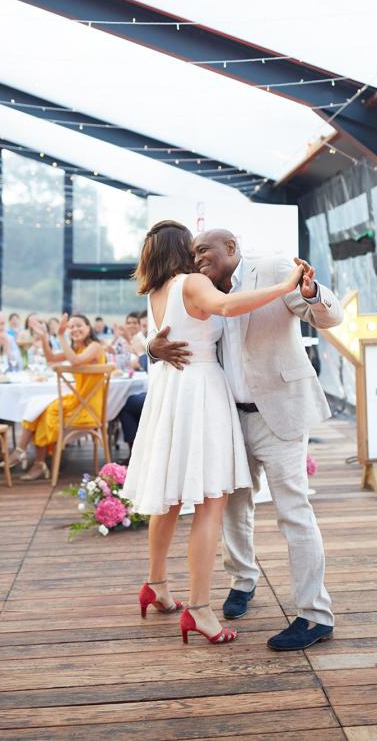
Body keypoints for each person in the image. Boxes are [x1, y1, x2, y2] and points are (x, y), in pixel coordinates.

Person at [149, 228, 343, 652]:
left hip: (278, 413)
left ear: (231, 248)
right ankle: (243, 581)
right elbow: (182, 333)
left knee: (293, 510)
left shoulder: (275, 269)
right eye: (193, 252)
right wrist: (152, 348)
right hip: (227, 417)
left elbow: (332, 316)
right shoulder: (199, 286)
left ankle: (315, 614)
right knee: (233, 508)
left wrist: (311, 293)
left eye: (205, 250)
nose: (198, 258)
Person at [123, 220, 304, 646]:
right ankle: (200, 609)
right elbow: (230, 307)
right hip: (200, 390)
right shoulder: (188, 284)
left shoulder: (156, 291)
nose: (198, 253)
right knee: (210, 501)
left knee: (168, 499)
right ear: (179, 250)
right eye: (192, 246)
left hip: (170, 393)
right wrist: (285, 287)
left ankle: (157, 584)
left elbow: (153, 336)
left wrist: (150, 346)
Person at [2, 314, 104, 480]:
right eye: (72, 327)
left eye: (79, 325)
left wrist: (61, 335)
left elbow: (77, 361)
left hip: (88, 407)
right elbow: (50, 359)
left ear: (88, 327)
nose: (75, 329)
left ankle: (36, 461)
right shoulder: (76, 348)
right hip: (77, 400)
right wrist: (44, 337)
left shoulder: (95, 347)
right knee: (39, 407)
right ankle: (27, 455)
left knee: (46, 412)